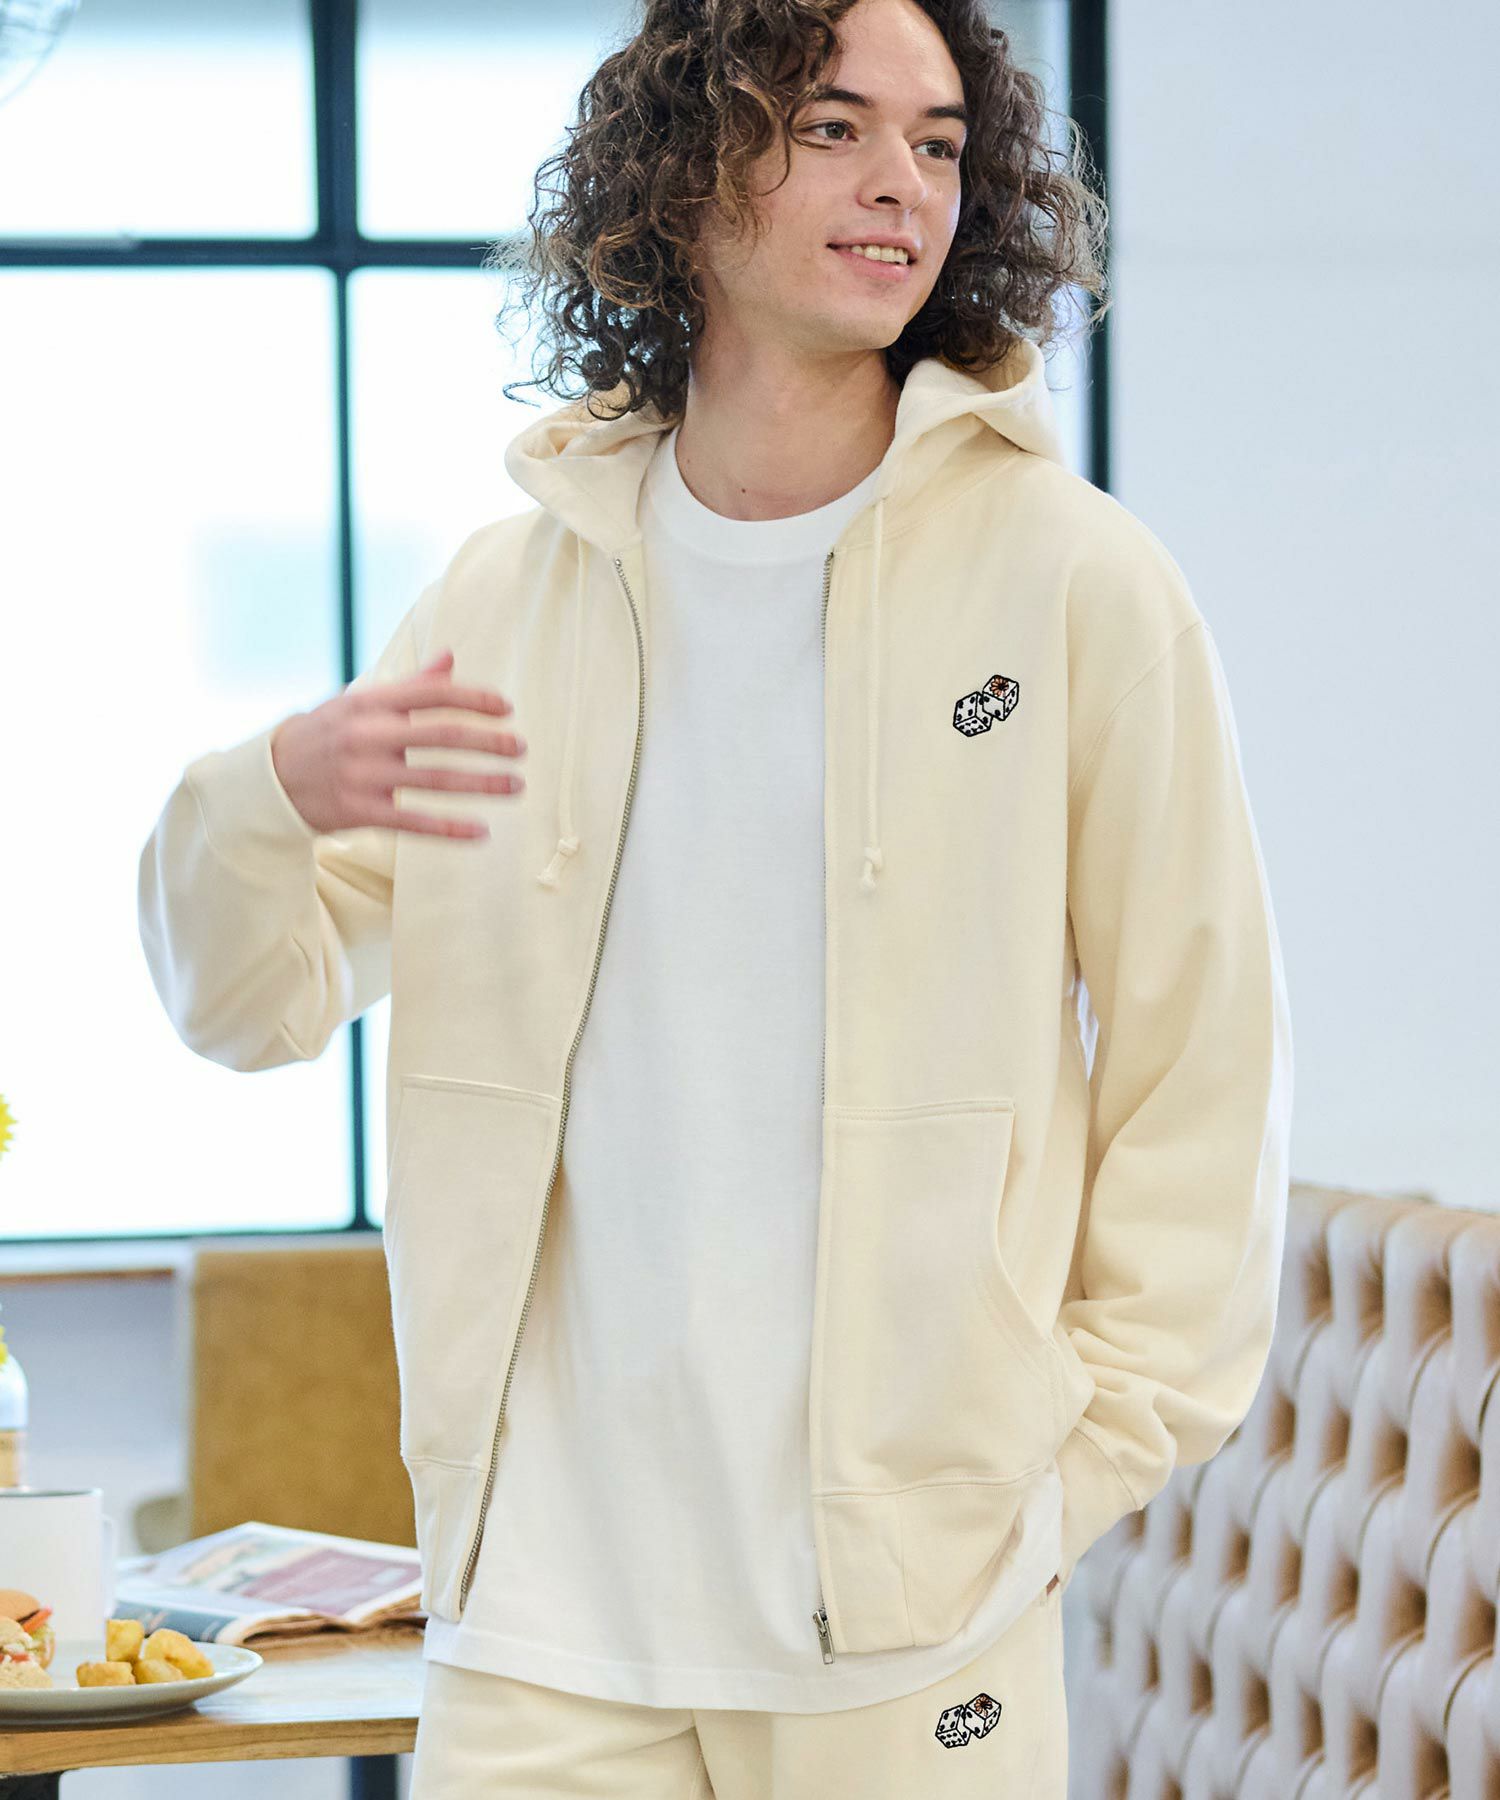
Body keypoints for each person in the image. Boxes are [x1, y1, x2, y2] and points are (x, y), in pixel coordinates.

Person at [137, 0, 1294, 1789]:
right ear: (684, 174)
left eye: (938, 143)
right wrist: (264, 795)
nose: (901, 182)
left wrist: (1063, 1472)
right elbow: (248, 1006)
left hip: (909, 1616)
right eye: (833, 126)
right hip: (542, 1623)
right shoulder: (505, 604)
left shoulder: (1077, 583)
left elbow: (1200, 1068)